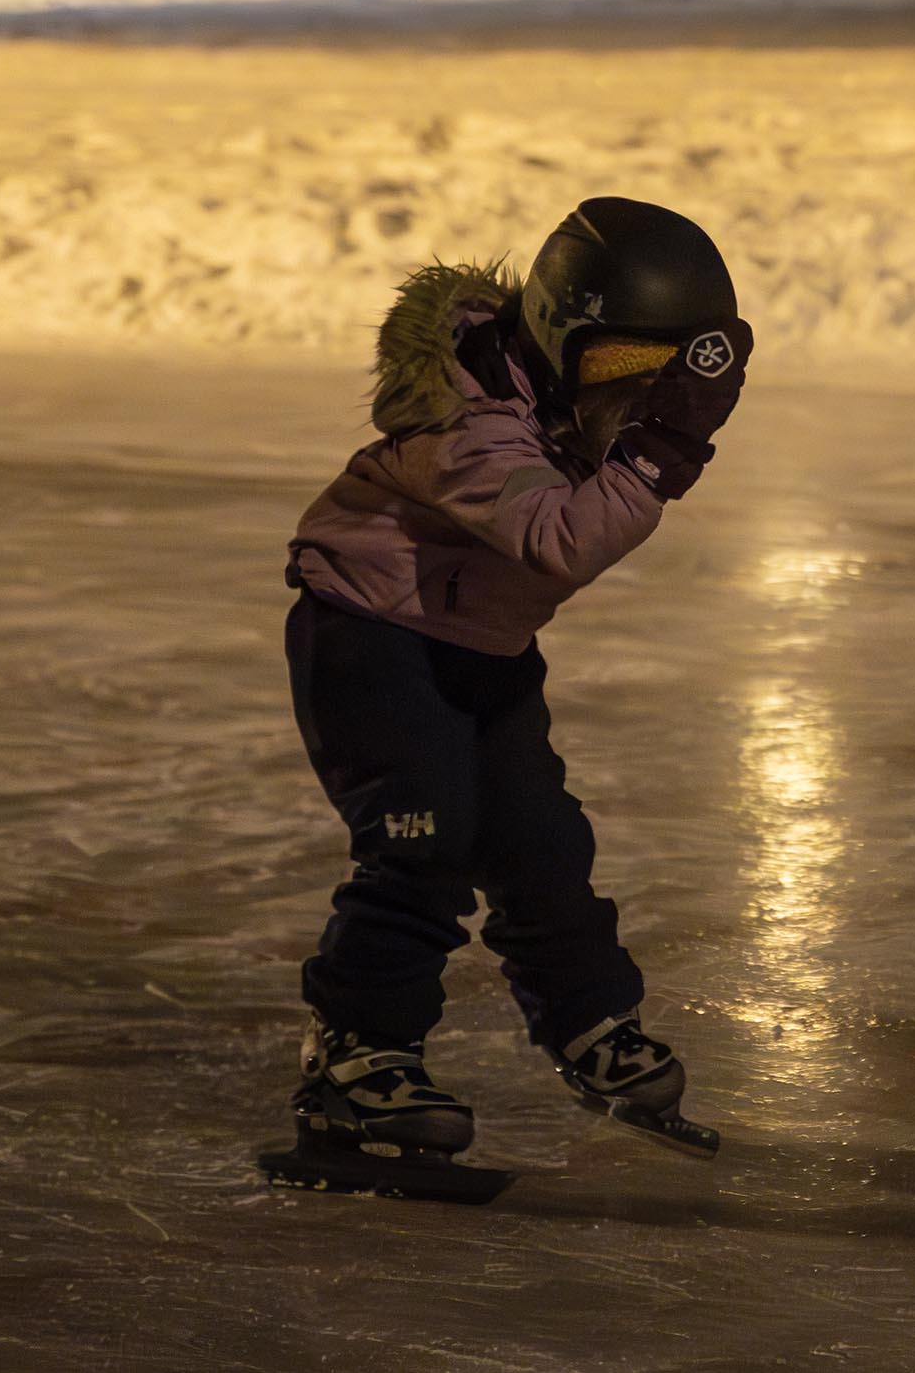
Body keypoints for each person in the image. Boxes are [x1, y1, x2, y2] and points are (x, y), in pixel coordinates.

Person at [267, 198, 752, 1198]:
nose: (645, 392)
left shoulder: (569, 400)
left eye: (664, 371)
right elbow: (557, 538)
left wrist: (648, 417)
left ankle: (587, 1018)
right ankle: (356, 1055)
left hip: (482, 643)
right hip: (372, 638)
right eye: (624, 366)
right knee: (422, 840)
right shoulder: (465, 417)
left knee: (539, 838)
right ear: (564, 336)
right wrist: (663, 449)